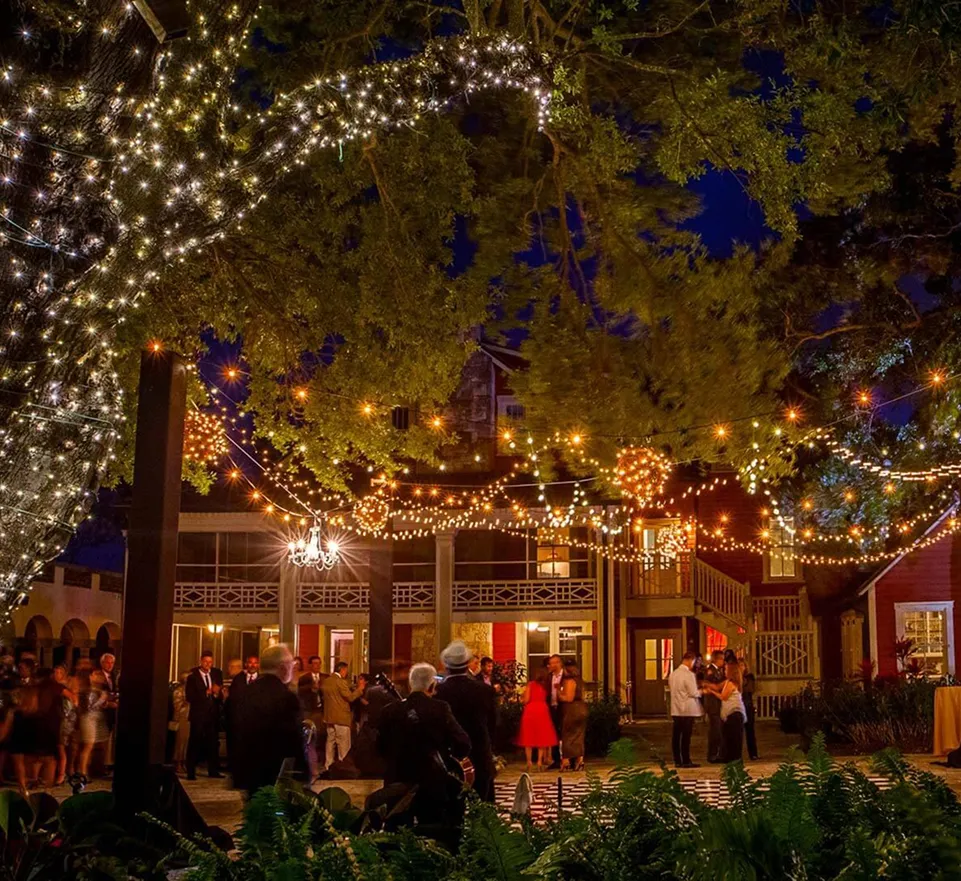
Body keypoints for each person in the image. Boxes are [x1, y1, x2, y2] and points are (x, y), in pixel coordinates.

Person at [376, 663, 471, 833]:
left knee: (396, 835)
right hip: (432, 783)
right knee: (433, 832)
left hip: (397, 783)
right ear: (432, 685)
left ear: (410, 685)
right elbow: (463, 743)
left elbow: (380, 748)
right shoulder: (440, 709)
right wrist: (449, 758)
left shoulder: (387, 711)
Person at [232, 643, 308, 796]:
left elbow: (235, 732)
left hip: (249, 769)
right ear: (282, 667)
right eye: (291, 664)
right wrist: (302, 771)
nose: (293, 668)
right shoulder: (286, 697)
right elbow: (292, 738)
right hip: (277, 771)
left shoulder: (244, 694)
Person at [436, 640, 497, 801]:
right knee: (483, 807)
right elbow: (493, 724)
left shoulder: (438, 692)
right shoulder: (485, 691)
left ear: (446, 665)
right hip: (479, 753)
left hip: (449, 757)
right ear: (468, 663)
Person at [184, 650, 223, 779]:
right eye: (206, 662)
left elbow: (220, 694)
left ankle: (213, 771)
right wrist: (205, 693)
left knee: (212, 743)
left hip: (212, 715)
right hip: (198, 715)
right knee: (195, 742)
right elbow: (189, 696)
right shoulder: (192, 677)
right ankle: (191, 771)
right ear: (201, 661)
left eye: (210, 662)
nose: (208, 664)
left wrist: (217, 693)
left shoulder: (217, 674)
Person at [322, 661, 364, 770]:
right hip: (341, 718)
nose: (347, 673)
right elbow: (350, 697)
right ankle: (343, 767)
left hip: (329, 717)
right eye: (346, 670)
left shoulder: (326, 681)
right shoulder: (340, 682)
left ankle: (328, 765)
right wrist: (359, 689)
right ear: (342, 670)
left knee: (330, 742)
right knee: (343, 744)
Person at [516, 667, 558, 772]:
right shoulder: (546, 686)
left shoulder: (531, 684)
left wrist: (521, 698)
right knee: (542, 737)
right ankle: (539, 761)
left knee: (528, 738)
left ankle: (529, 762)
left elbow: (526, 700)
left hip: (531, 710)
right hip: (542, 710)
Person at [703, 661, 745, 763]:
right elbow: (717, 686)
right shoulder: (729, 682)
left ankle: (733, 758)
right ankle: (730, 757)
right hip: (732, 714)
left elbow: (723, 696)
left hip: (734, 713)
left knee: (732, 737)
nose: (724, 671)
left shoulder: (731, 683)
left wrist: (711, 691)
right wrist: (707, 685)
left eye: (726, 669)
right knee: (730, 736)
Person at [669, 651, 703, 768]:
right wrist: (702, 691)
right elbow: (693, 692)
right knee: (686, 736)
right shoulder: (688, 675)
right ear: (690, 660)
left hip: (676, 709)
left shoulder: (673, 674)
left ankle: (677, 760)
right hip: (688, 709)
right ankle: (686, 759)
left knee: (676, 735)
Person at [298, 655, 326, 777]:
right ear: (310, 665)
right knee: (309, 736)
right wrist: (311, 687)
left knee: (321, 735)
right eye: (314, 663)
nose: (317, 666)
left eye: (319, 663)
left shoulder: (325, 677)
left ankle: (320, 761)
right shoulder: (304, 678)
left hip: (321, 710)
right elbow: (299, 691)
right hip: (309, 710)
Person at [559, 661, 588, 771]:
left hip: (572, 709)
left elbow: (568, 698)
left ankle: (566, 761)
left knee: (567, 734)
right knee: (579, 735)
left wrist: (558, 693)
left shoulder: (569, 681)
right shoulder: (580, 681)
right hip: (582, 708)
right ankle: (580, 760)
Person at [52, 665, 78, 785]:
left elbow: (74, 699)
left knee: (61, 746)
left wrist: (68, 714)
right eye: (55, 672)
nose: (56, 674)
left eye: (59, 672)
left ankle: (61, 775)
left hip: (64, 721)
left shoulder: (62, 688)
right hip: (54, 719)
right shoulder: (53, 686)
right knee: (58, 747)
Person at [702, 650, 725, 763]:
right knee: (715, 730)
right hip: (713, 704)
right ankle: (712, 754)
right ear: (718, 659)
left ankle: (716, 753)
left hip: (717, 704)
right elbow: (712, 686)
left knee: (718, 730)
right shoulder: (710, 671)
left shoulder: (718, 671)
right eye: (722, 659)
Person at [171, 672, 191, 775]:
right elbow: (177, 706)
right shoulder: (179, 691)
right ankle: (178, 763)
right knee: (180, 743)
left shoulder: (190, 690)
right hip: (182, 719)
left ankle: (184, 763)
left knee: (187, 743)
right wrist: (187, 703)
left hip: (189, 719)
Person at [546, 654, 564, 766]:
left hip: (563, 706)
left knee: (565, 732)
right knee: (554, 733)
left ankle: (567, 758)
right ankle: (556, 759)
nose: (550, 665)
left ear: (558, 663)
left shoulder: (565, 676)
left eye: (553, 663)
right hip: (552, 706)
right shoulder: (549, 677)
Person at [741, 661, 759, 760]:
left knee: (750, 731)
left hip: (747, 706)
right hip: (739, 705)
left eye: (742, 665)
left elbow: (750, 689)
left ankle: (753, 753)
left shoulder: (749, 677)